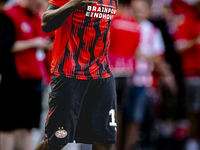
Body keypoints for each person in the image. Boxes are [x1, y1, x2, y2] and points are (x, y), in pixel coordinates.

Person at [35, 0, 118, 149]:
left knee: (105, 141)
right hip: (69, 71)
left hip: (102, 73)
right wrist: (72, 4)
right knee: (57, 141)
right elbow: (46, 23)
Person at [0, 0, 51, 149]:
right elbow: (6, 45)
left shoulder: (37, 18)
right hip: (14, 78)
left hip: (34, 79)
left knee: (28, 126)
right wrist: (34, 43)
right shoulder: (10, 15)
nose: (41, 6)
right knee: (7, 125)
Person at [107, 0, 140, 149]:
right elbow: (135, 49)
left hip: (110, 71)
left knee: (106, 111)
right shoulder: (135, 24)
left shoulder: (112, 20)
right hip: (127, 72)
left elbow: (106, 46)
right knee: (118, 112)